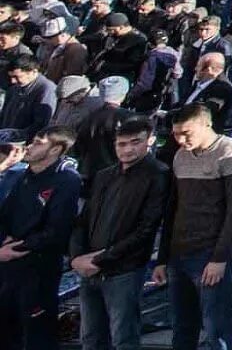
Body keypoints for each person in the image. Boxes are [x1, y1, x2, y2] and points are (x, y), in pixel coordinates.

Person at [154, 103, 232, 350]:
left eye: (187, 133)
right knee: (182, 327)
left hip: (209, 253)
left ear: (207, 125)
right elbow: (172, 208)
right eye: (176, 134)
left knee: (215, 327)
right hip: (179, 253)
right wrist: (163, 258)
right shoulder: (180, 155)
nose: (181, 139)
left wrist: (220, 258)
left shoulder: (230, 151)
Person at [72, 115, 169, 350]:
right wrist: (76, 257)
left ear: (150, 141)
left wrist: (100, 259)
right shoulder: (105, 175)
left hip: (123, 269)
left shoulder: (158, 174)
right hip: (89, 268)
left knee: (123, 337)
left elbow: (146, 229)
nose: (127, 149)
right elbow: (83, 220)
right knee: (91, 337)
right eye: (121, 144)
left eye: (135, 142)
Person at [0, 127, 81, 350]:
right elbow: (5, 213)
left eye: (38, 142)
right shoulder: (24, 175)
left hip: (38, 267)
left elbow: (56, 230)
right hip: (9, 267)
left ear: (55, 149)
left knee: (37, 333)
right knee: (6, 330)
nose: (30, 146)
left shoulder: (66, 180)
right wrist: (4, 240)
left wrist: (17, 248)